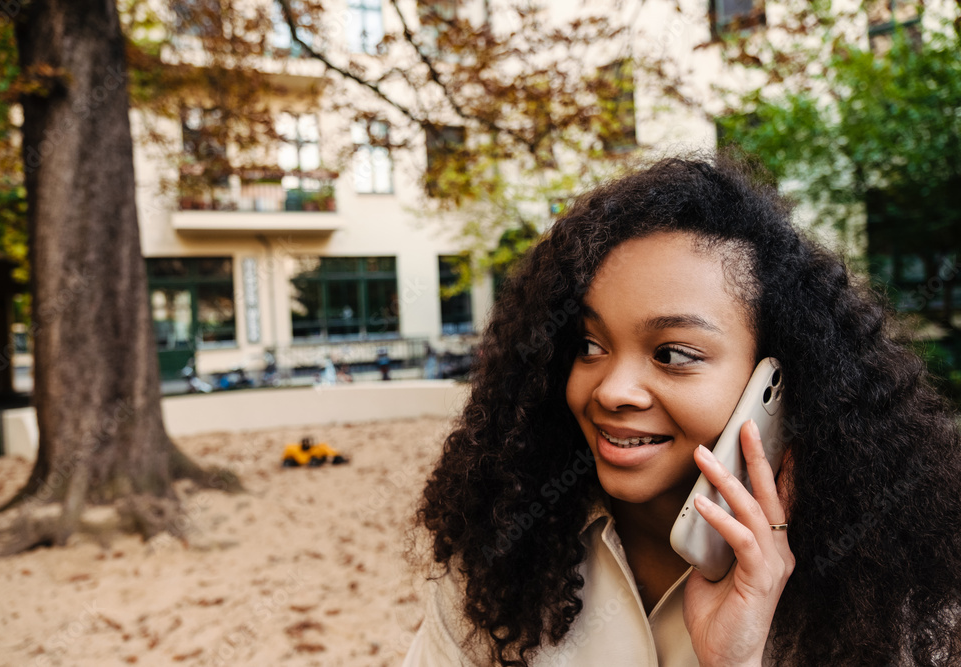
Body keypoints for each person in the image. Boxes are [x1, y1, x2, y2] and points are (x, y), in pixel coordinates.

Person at [403, 155, 961, 666]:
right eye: (589, 345)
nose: (613, 390)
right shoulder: (501, 545)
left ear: (780, 381)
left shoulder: (887, 594)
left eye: (673, 354)